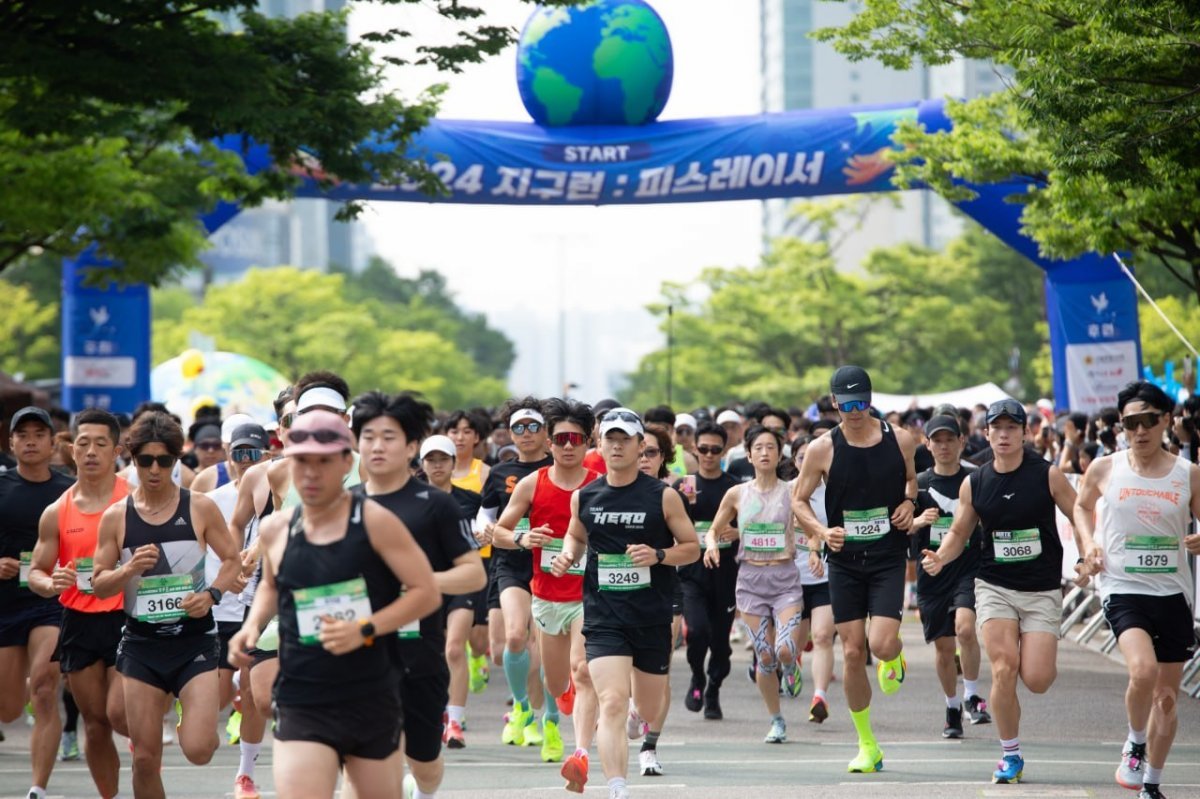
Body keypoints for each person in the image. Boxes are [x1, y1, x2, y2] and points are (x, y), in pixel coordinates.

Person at [227, 410, 441, 799]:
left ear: (347, 463)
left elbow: (425, 591)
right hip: (303, 690)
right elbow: (272, 586)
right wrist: (250, 625)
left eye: (323, 461)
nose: (311, 472)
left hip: (370, 689)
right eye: (301, 460)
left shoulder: (378, 521)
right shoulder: (277, 528)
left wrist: (367, 628)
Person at [921, 398, 1080, 785]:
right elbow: (959, 532)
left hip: (1041, 589)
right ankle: (1010, 754)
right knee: (1004, 669)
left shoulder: (1048, 475)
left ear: (1025, 433)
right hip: (994, 586)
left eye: (1012, 428)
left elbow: (1081, 515)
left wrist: (1088, 553)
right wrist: (941, 558)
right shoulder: (975, 482)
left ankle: (1017, 690)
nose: (1005, 435)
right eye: (998, 428)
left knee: (1038, 679)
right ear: (986, 433)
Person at [90, 411, 243, 799]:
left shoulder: (200, 507)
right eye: (146, 461)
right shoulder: (116, 517)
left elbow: (232, 559)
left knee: (199, 750)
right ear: (132, 459)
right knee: (144, 759)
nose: (155, 469)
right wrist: (128, 572)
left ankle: (185, 714)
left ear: (176, 461)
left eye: (165, 460)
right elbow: (99, 585)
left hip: (194, 641)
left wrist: (212, 595)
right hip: (143, 645)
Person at [550, 408, 700, 799]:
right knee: (612, 701)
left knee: (647, 711)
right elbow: (576, 536)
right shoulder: (585, 496)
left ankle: (641, 716)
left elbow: (692, 549)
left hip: (651, 615)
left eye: (625, 440)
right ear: (600, 445)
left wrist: (659, 555)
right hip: (604, 615)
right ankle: (618, 788)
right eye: (609, 439)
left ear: (639, 447)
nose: (616, 446)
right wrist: (567, 554)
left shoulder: (663, 497)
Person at [351, 393, 487, 799]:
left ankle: (425, 792)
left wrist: (421, 582)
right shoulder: (342, 505)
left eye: (389, 437)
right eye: (368, 436)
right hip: (357, 652)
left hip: (417, 651)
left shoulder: (436, 505)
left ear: (411, 447)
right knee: (366, 757)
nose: (377, 446)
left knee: (423, 760)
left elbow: (473, 574)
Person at [1074, 381, 1200, 799]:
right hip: (1123, 587)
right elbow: (1080, 504)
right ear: (1121, 426)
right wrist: (1089, 544)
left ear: (1166, 420)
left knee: (1166, 698)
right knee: (1142, 671)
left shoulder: (1188, 474)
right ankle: (1134, 741)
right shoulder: (1106, 468)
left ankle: (1152, 784)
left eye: (1148, 420)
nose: (1140, 430)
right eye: (1131, 423)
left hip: (1173, 593)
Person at [791, 366, 917, 773]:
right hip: (844, 560)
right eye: (847, 405)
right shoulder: (821, 449)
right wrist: (822, 531)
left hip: (886, 556)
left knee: (880, 644)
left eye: (862, 402)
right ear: (833, 404)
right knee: (851, 650)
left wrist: (908, 504)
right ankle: (867, 744)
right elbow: (799, 500)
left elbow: (912, 481)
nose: (856, 411)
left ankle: (894, 657)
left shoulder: (900, 439)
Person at [29, 409, 131, 799]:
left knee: (120, 713)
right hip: (79, 620)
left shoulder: (134, 500)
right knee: (95, 721)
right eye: (83, 443)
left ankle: (146, 738)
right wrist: (49, 582)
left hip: (128, 618)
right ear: (71, 450)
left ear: (116, 450)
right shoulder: (57, 510)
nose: (90, 451)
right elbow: (36, 572)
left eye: (100, 443)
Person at [495, 399, 600, 771]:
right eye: (561, 439)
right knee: (556, 683)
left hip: (589, 596)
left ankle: (581, 751)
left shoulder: (599, 486)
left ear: (588, 442)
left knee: (583, 669)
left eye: (575, 438)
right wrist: (525, 540)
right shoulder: (531, 483)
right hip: (546, 594)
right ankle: (559, 702)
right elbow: (499, 532)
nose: (568, 445)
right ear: (549, 444)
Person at [708, 425, 804, 744]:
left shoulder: (792, 491)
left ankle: (790, 669)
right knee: (764, 656)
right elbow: (714, 529)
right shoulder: (737, 493)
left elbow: (811, 525)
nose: (764, 452)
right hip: (750, 580)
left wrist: (816, 548)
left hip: (785, 579)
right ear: (748, 454)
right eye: (758, 447)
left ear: (780, 455)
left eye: (771, 447)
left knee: (785, 650)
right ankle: (776, 720)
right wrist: (710, 545)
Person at [0, 407, 75, 799]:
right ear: (10, 443)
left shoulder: (68, 491)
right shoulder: (0, 486)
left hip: (50, 599)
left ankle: (37, 787)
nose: (30, 440)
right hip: (5, 603)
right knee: (9, 709)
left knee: (45, 689)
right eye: (22, 434)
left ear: (52, 443)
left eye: (38, 434)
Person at [908, 415, 991, 740]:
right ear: (927, 444)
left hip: (969, 568)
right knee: (943, 648)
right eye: (936, 440)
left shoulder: (977, 477)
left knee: (965, 628)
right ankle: (952, 706)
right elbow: (901, 526)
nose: (943, 446)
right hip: (932, 570)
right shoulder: (919, 483)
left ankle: (971, 695)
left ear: (961, 442)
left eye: (949, 440)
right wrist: (917, 522)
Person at [478, 400, 553, 748]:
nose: (525, 434)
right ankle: (522, 706)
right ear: (510, 433)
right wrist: (485, 530)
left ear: (545, 431)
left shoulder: (558, 467)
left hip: (552, 563)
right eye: (518, 428)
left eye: (532, 427)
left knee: (545, 645)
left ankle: (547, 717)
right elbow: (485, 515)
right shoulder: (499, 473)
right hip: (510, 562)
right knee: (512, 639)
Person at [205, 421, 272, 799]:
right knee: (212, 699)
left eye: (253, 454)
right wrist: (223, 578)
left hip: (257, 604)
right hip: (216, 608)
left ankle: (245, 774)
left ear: (265, 454)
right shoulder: (211, 498)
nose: (245, 462)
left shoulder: (276, 486)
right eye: (238, 453)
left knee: (253, 689)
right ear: (227, 454)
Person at [417, 433, 489, 753]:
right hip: (424, 586)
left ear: (452, 462)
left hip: (461, 583)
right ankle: (433, 713)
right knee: (427, 655)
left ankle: (455, 720)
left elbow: (482, 534)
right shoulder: (412, 500)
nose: (437, 466)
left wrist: (482, 537)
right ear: (422, 464)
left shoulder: (470, 500)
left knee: (454, 649)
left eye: (443, 459)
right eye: (431, 460)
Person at [678, 422, 741, 721]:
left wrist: (737, 532)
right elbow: (673, 522)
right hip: (692, 573)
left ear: (724, 451)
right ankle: (696, 677)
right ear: (695, 449)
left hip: (726, 573)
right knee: (698, 631)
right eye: (703, 449)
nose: (708, 455)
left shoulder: (734, 486)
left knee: (720, 642)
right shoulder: (688, 484)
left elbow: (750, 523)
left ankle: (713, 687)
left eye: (715, 450)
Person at [789, 436, 835, 724]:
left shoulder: (835, 491)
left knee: (822, 636)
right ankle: (789, 666)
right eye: (800, 457)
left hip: (827, 576)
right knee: (792, 644)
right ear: (794, 462)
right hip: (790, 580)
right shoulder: (786, 492)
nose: (807, 462)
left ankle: (820, 696)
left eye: (811, 456)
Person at [446, 410, 491, 494]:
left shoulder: (486, 473)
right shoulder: (436, 471)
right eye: (454, 432)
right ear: (446, 435)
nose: (460, 438)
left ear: (476, 437)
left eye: (467, 432)